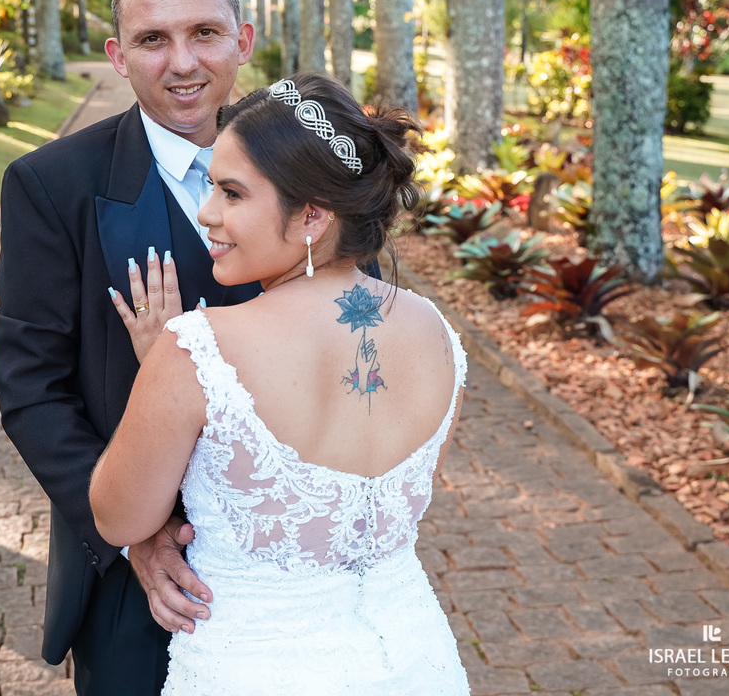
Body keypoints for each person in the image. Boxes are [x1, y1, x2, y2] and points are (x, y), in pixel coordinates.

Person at [89, 73, 472, 695]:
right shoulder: (437, 335)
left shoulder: (197, 350)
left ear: (313, 215)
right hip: (415, 661)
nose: (207, 213)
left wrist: (155, 368)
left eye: (232, 193)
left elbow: (118, 518)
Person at [0, 0, 260, 695]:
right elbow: (32, 390)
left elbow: (350, 329)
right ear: (118, 55)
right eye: (152, 39)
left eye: (204, 32)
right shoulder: (51, 186)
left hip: (290, 564)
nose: (183, 62)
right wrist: (134, 535)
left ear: (242, 40)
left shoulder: (304, 167)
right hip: (136, 586)